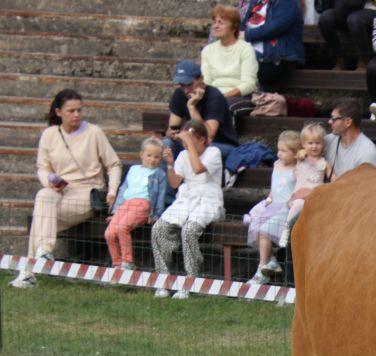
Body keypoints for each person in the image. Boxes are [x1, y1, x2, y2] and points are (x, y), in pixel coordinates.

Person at [9, 89, 123, 289]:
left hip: (88, 191)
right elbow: (42, 168)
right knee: (43, 195)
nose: (77, 115)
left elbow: (114, 164)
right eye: (71, 111)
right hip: (60, 190)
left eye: (79, 110)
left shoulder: (94, 132)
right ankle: (43, 254)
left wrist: (112, 190)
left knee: (40, 219)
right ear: (59, 112)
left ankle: (30, 271)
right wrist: (49, 181)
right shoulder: (49, 134)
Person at [151, 120, 225, 299]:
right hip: (186, 200)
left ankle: (192, 280)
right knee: (158, 229)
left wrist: (189, 143)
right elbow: (175, 182)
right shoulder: (184, 154)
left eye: (189, 141)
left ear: (201, 139)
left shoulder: (214, 152)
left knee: (189, 230)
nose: (185, 145)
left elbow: (198, 169)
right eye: (184, 142)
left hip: (208, 200)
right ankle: (164, 280)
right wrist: (170, 163)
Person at [104, 138, 168, 271]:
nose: (152, 159)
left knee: (122, 228)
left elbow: (160, 196)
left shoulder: (159, 174)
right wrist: (116, 211)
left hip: (143, 205)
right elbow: (123, 189)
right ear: (141, 155)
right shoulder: (133, 169)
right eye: (149, 155)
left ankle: (128, 262)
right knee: (109, 233)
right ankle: (117, 263)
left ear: (161, 158)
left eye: (157, 157)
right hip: (125, 205)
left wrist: (156, 214)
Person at [245, 130, 300, 285]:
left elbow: (296, 189)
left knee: (265, 231)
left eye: (284, 151)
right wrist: (268, 199)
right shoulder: (277, 165)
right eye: (278, 150)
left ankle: (261, 268)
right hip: (273, 205)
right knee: (255, 227)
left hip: (286, 208)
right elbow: (274, 186)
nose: (279, 154)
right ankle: (271, 260)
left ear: (295, 153)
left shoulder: (297, 169)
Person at [166, 61, 239, 162]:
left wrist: (192, 107)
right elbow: (171, 130)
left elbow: (209, 135)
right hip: (192, 142)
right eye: (182, 85)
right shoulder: (179, 94)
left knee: (197, 148)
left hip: (221, 144)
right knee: (165, 145)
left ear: (201, 79)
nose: (186, 90)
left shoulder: (214, 96)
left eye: (189, 84)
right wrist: (173, 134)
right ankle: (157, 173)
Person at [201, 5, 259, 120]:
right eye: (214, 22)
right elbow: (206, 81)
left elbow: (248, 84)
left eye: (221, 23)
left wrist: (222, 96)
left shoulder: (246, 49)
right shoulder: (208, 50)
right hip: (214, 96)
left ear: (234, 27)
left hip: (240, 97)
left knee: (222, 105)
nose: (216, 26)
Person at [282, 122, 334, 245]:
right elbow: (294, 156)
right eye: (310, 143)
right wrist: (301, 152)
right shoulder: (301, 157)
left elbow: (335, 179)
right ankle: (287, 229)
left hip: (315, 197)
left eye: (317, 143)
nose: (314, 146)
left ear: (323, 144)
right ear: (303, 144)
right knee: (298, 204)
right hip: (298, 197)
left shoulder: (324, 163)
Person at [240, 0, 305, 92]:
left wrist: (246, 35)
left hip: (276, 55)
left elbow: (277, 27)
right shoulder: (256, 2)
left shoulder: (288, 2)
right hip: (252, 50)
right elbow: (243, 25)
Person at [318, 0, 376, 70]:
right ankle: (339, 58)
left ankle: (364, 59)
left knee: (354, 19)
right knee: (325, 19)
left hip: (372, 8)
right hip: (343, 9)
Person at [324, 98, 376, 178]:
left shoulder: (367, 152)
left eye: (333, 119)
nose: (329, 121)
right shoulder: (328, 140)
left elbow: (365, 184)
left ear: (348, 122)